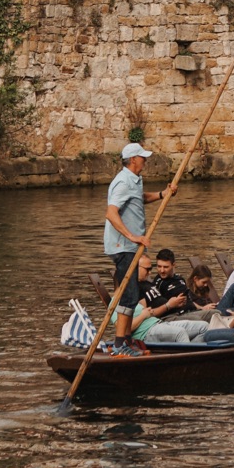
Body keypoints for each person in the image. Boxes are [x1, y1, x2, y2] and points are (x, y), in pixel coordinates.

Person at [103, 142, 171, 353]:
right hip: (122, 246)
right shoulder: (123, 181)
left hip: (130, 246)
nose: (145, 161)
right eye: (142, 158)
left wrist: (162, 194)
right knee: (129, 295)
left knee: (131, 294)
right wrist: (133, 236)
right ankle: (120, 344)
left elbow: (138, 199)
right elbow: (111, 213)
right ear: (133, 160)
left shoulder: (135, 179)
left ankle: (126, 340)